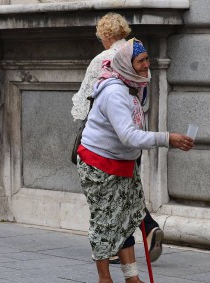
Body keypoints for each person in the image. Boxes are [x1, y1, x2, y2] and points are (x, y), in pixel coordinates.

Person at [76, 38, 194, 283]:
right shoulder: (115, 92)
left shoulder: (133, 87)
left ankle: (132, 279)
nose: (146, 65)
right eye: (140, 61)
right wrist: (167, 139)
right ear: (126, 64)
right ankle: (103, 282)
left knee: (129, 218)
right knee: (105, 223)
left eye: (147, 60)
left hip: (122, 163)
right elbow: (129, 136)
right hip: (100, 165)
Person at [71, 12, 164, 264]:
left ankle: (110, 256)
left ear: (106, 36)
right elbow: (142, 97)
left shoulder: (105, 59)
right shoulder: (139, 55)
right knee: (126, 196)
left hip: (105, 144)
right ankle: (146, 228)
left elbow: (86, 100)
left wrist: (167, 138)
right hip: (134, 137)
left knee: (106, 202)